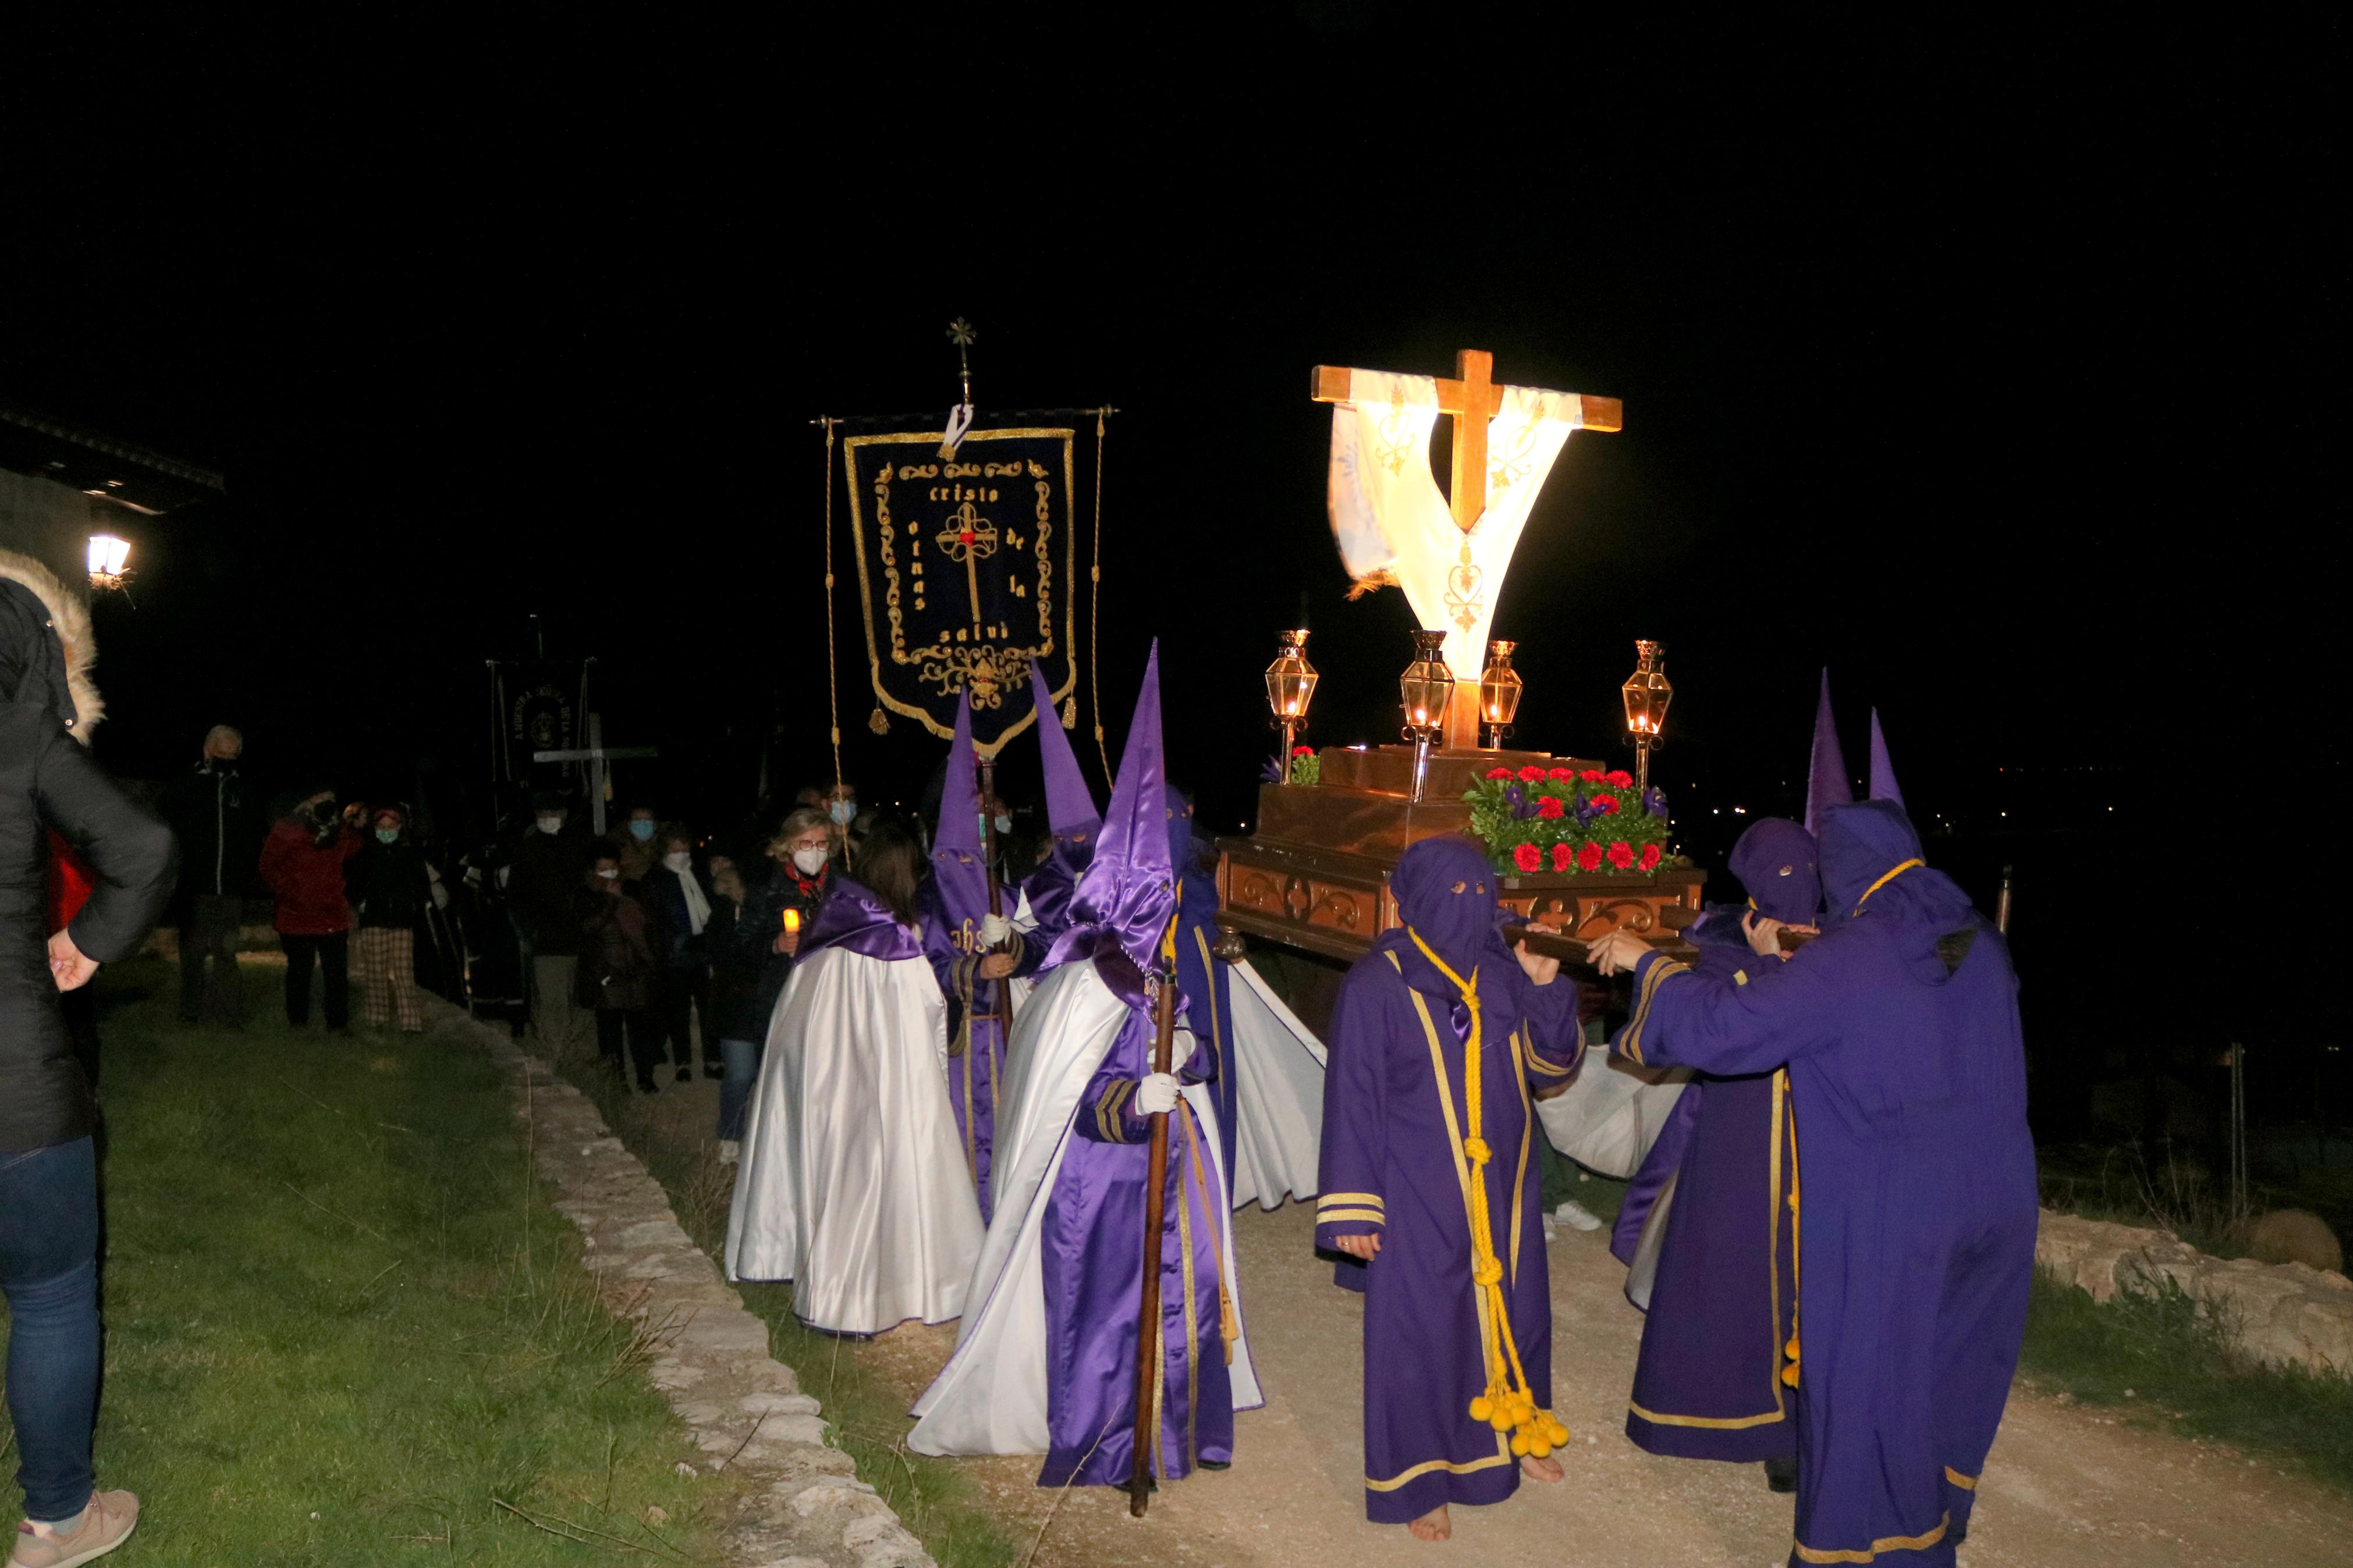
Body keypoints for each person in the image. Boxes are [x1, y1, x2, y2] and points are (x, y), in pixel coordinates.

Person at [1591, 798, 2036, 1566]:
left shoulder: (1854, 954)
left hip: (1896, 1211)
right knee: (1945, 1365)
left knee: (1866, 1381)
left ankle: (1875, 1548)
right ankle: (1935, 1515)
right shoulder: (1976, 937)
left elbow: (1724, 1029)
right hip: (1996, 1200)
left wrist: (1648, 962)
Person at [911, 645, 1262, 1490]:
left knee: (1184, 1296)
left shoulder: (1161, 963)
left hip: (1177, 1171)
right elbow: (1073, 1099)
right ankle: (1111, 1438)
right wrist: (1126, 1099)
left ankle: (1176, 1427)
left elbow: (1203, 1050)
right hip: (1100, 1184)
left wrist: (1187, 1056)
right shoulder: (1086, 978)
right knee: (1108, 1313)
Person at [1313, 834, 1581, 1539]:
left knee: (1514, 1311)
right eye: (1452, 895)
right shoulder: (1377, 982)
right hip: (1415, 1189)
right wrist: (1351, 1204)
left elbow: (1549, 1067)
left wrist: (1546, 983)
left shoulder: (1501, 973)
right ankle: (1419, 1478)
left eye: (1481, 893)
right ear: (1413, 902)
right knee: (1422, 1328)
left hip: (1503, 1187)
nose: (1472, 908)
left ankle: (1518, 1431)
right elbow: (1352, 1095)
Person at [0, 548, 175, 1564]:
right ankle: (55, 1524)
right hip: (16, 1082)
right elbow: (143, 850)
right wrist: (89, 943)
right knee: (53, 1292)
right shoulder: (25, 735)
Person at [1607, 817, 1817, 1492]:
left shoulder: (1842, 942)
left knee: (1806, 1280)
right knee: (1732, 1274)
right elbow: (1711, 1016)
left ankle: (1797, 1431)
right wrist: (1758, 962)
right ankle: (1737, 1420)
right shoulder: (1723, 940)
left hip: (1816, 1143)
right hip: (1741, 1136)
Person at [724, 822, 982, 1332]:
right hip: (869, 1090)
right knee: (860, 1194)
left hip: (815, 1088)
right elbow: (925, 1018)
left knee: (823, 1184)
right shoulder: (894, 944)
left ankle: (814, 1279)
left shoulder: (825, 931)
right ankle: (846, 1304)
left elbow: (790, 1017)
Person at [920, 700, 1040, 1222]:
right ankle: (966, 1226)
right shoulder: (927, 899)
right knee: (963, 1135)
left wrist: (1013, 944)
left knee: (1014, 1128)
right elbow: (921, 967)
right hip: (959, 1042)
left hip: (1012, 1033)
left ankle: (1011, 1222)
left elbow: (1045, 947)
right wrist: (972, 970)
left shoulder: (1007, 891)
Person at [713, 808, 833, 1158]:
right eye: (806, 843)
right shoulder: (765, 890)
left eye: (822, 843)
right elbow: (740, 947)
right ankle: (753, 1142)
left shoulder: (839, 887)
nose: (815, 851)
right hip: (773, 997)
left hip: (825, 995)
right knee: (768, 1076)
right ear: (787, 847)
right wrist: (774, 944)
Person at [158, 724, 260, 1025]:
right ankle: (190, 1012)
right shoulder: (184, 788)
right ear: (207, 752)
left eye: (232, 754)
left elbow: (255, 838)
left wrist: (244, 876)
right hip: (193, 891)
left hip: (229, 892)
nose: (226, 758)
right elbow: (164, 831)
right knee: (192, 955)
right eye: (221, 753)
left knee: (227, 955)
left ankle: (227, 1015)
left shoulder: (244, 792)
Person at [259, 790, 364, 1032]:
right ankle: (298, 1022)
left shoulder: (339, 833)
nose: (327, 804)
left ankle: (338, 1024)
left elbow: (356, 849)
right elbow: (268, 867)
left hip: (333, 916)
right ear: (304, 802)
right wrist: (290, 892)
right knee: (299, 972)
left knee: (336, 974)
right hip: (296, 916)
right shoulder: (287, 832)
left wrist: (356, 826)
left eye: (331, 800)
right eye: (320, 799)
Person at [506, 792, 591, 1055]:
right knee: (552, 1002)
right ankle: (555, 1055)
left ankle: (580, 1056)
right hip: (546, 942)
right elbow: (515, 896)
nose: (549, 819)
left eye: (553, 814)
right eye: (543, 815)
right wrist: (533, 928)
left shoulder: (580, 845)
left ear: (564, 816)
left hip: (581, 939)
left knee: (581, 1002)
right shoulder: (527, 849)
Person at [637, 825, 718, 1084]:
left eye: (684, 848)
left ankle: (712, 1060)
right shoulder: (654, 880)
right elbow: (653, 920)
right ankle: (683, 1062)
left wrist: (709, 938)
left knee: (709, 1009)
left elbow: (715, 907)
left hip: (705, 952)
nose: (680, 853)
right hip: (675, 955)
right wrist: (679, 941)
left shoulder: (702, 875)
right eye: (674, 849)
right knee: (678, 1011)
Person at [576, 847, 660, 1089]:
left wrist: (649, 960)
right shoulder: (586, 895)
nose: (609, 873)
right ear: (592, 870)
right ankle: (616, 1082)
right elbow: (587, 929)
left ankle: (645, 1077)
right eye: (603, 869)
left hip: (636, 971)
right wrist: (610, 902)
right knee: (610, 1033)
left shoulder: (633, 888)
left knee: (641, 1030)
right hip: (607, 974)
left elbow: (650, 925)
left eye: (612, 867)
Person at [346, 804, 433, 1033]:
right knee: (375, 971)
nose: (386, 830)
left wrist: (415, 904)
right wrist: (361, 903)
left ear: (399, 827)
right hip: (374, 919)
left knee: (404, 973)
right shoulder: (365, 854)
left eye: (391, 826)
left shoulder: (409, 853)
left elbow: (421, 883)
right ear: (375, 828)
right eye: (382, 827)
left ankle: (410, 1023)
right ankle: (377, 1019)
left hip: (402, 921)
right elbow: (352, 883)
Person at [615, 803, 660, 881]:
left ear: (655, 825)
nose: (642, 823)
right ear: (629, 825)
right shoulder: (617, 848)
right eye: (637, 819)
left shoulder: (664, 847)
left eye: (647, 819)